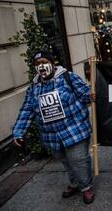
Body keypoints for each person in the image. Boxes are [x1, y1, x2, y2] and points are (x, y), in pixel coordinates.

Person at [13, 50, 95, 204]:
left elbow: (85, 95)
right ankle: (75, 183)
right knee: (66, 161)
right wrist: (19, 131)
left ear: (52, 63)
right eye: (37, 64)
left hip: (75, 130)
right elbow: (27, 110)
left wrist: (91, 95)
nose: (41, 66)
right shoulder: (34, 88)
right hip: (52, 137)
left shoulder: (68, 78)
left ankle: (86, 186)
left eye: (44, 62)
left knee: (78, 160)